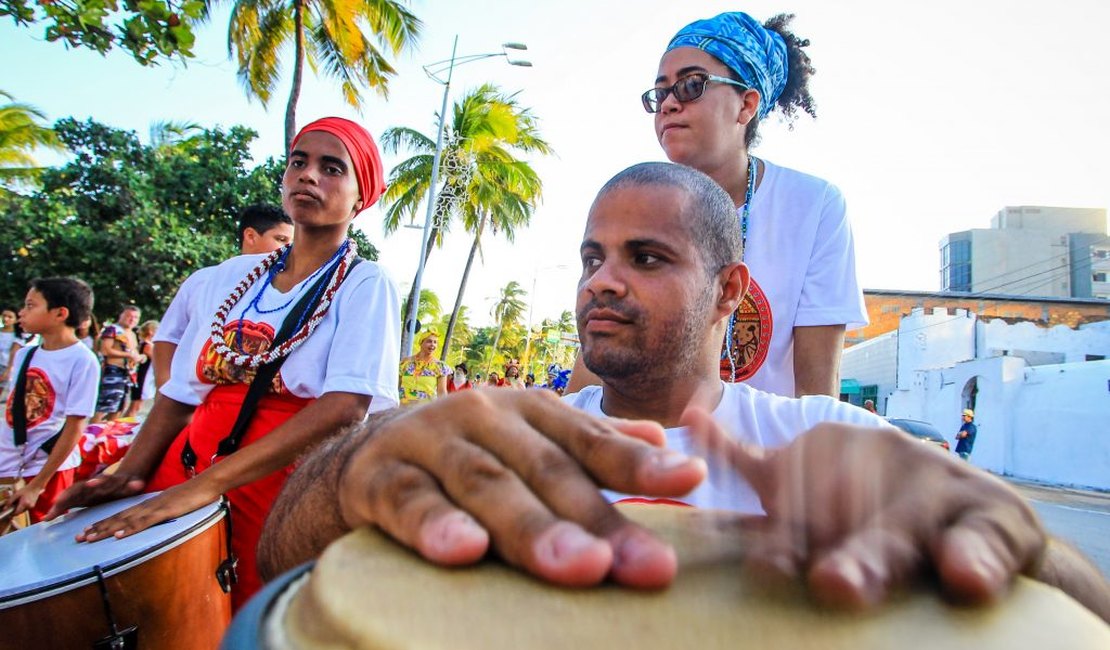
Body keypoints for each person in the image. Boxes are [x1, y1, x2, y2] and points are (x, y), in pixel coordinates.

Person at [257, 163, 1110, 623]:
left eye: (648, 258)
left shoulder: (817, 435)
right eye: (593, 258)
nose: (603, 282)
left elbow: (1081, 607)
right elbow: (276, 573)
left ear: (730, 291)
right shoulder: (502, 440)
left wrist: (1018, 540)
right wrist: (351, 468)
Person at [49, 116, 402, 610]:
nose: (308, 176)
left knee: (242, 612)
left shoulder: (366, 283)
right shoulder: (232, 276)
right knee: (144, 602)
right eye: (298, 162)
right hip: (188, 462)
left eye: (332, 168)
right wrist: (131, 473)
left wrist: (199, 490)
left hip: (276, 483)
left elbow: (345, 407)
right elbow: (182, 392)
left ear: (362, 196)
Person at [567, 11, 866, 400]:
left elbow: (816, 392)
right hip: (645, 451)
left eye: (691, 85)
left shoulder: (812, 206)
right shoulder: (635, 203)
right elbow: (595, 368)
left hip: (761, 454)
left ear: (746, 105)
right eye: (661, 93)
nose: (669, 104)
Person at [152, 204, 294, 389]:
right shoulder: (204, 280)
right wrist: (166, 390)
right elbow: (168, 338)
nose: (288, 247)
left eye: (291, 241)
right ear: (250, 236)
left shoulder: (292, 287)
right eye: (281, 239)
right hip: (194, 399)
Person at [0, 278, 100, 523]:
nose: (22, 312)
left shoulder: (82, 360)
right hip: (11, 466)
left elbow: (76, 425)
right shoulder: (26, 353)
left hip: (48, 471)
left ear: (60, 313)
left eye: (30, 305)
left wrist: (38, 485)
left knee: (41, 539)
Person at [92, 305, 141, 423]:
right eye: (129, 316)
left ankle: (106, 436)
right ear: (121, 315)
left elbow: (134, 352)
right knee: (104, 406)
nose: (132, 320)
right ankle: (90, 436)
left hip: (127, 374)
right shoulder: (113, 329)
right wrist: (128, 355)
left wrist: (139, 357)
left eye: (135, 317)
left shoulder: (133, 334)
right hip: (112, 371)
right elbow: (105, 350)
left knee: (119, 408)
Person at [399, 332, 450, 404]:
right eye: (429, 341)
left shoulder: (440, 367)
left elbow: (442, 392)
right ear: (421, 343)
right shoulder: (406, 363)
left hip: (425, 411)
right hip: (403, 409)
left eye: (435, 342)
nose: (433, 344)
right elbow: (396, 385)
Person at [124, 320, 158, 418]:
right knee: (135, 406)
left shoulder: (147, 344)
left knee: (136, 405)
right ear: (151, 331)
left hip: (145, 377)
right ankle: (124, 427)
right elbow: (156, 359)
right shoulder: (147, 345)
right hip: (143, 377)